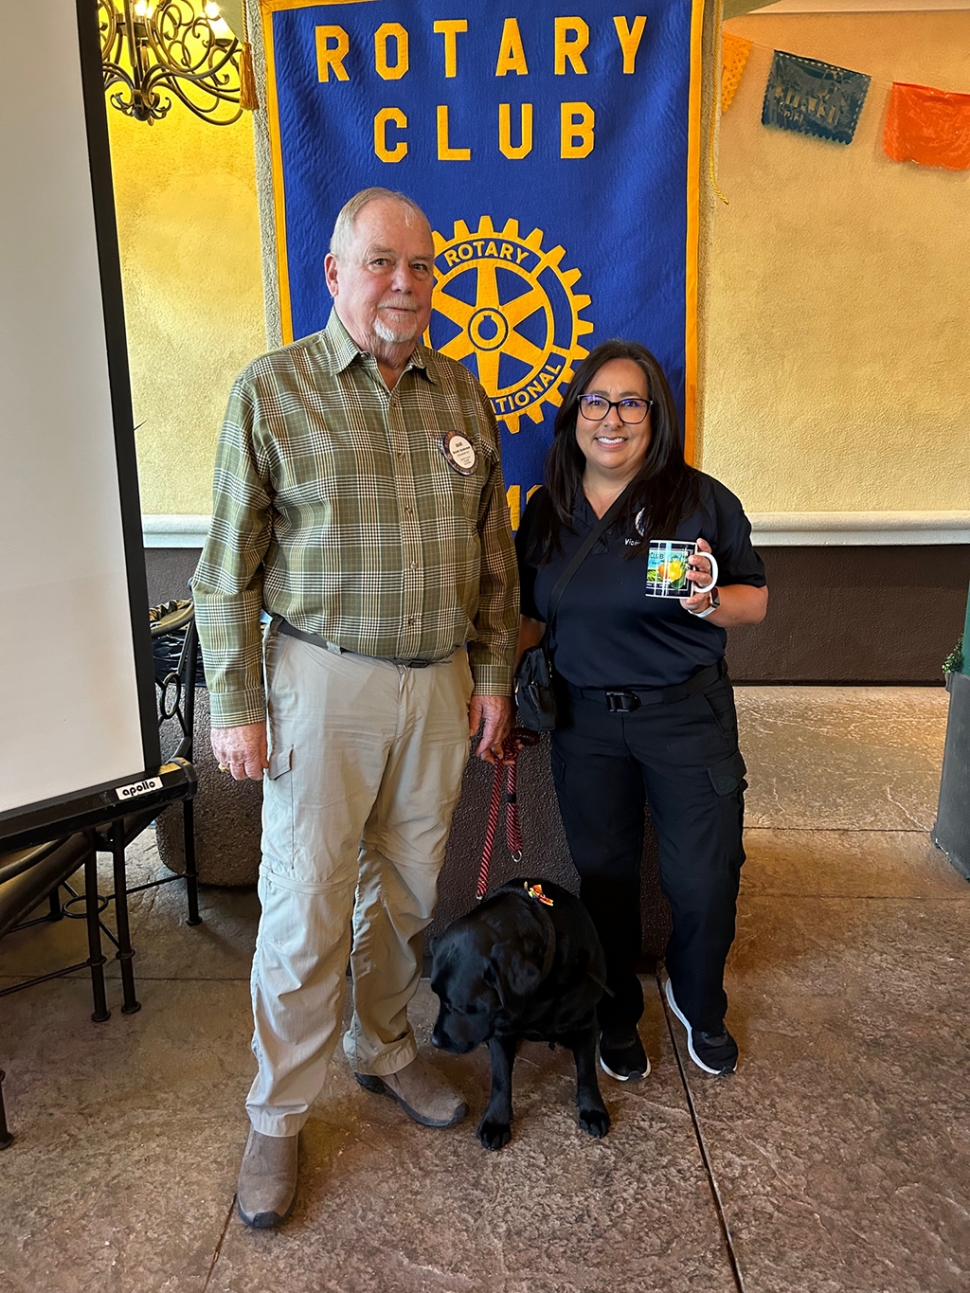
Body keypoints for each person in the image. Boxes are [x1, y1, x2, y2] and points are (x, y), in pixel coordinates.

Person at [193, 188, 518, 1228]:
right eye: (382, 263)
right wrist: (237, 705)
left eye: (422, 268)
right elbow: (222, 573)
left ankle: (381, 1047)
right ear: (333, 273)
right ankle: (277, 1115)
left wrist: (496, 677)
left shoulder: (464, 399)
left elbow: (496, 565)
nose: (406, 286)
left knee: (411, 897)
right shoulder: (273, 390)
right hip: (317, 682)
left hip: (437, 687)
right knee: (304, 904)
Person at [515, 340, 767, 1084]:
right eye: (597, 401)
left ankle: (698, 998)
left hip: (686, 717)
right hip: (586, 722)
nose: (612, 418)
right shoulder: (548, 510)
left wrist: (708, 599)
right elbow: (530, 618)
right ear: (575, 416)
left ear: (656, 417)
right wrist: (482, 672)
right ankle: (616, 1011)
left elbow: (755, 598)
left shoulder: (700, 499)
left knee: (705, 875)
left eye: (631, 402)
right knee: (605, 876)